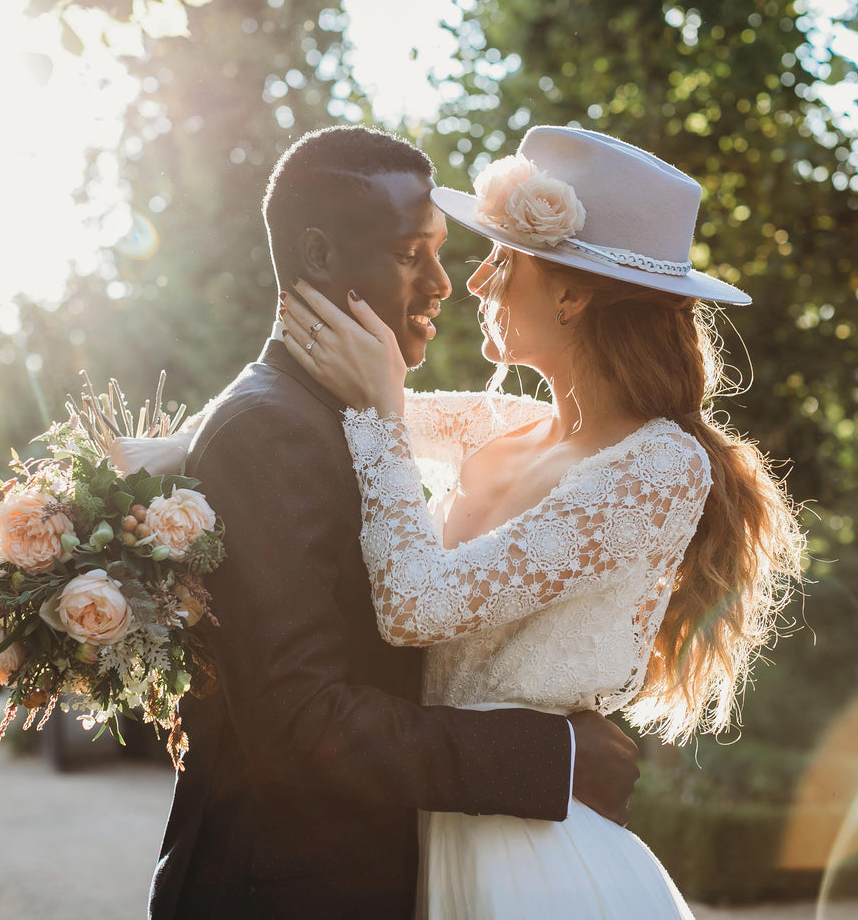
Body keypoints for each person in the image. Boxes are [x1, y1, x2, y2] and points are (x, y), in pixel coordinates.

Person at [276, 125, 806, 918]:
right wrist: (141, 473)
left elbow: (415, 605)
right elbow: (315, 415)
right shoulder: (503, 425)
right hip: (436, 816)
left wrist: (378, 409)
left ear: (570, 295)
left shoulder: (659, 468)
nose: (475, 280)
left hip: (529, 856)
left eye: (502, 260)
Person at [129, 125, 642, 920]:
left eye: (438, 252)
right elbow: (301, 722)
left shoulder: (337, 414)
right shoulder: (271, 428)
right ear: (317, 255)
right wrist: (554, 755)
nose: (442, 282)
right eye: (411, 254)